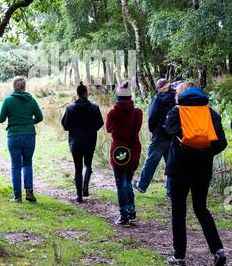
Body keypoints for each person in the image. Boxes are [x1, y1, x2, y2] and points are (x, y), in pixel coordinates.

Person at [165, 81, 227, 266]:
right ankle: (218, 250)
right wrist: (205, 153)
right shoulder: (211, 114)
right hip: (202, 170)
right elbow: (221, 142)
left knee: (178, 212)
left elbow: (168, 130)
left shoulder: (176, 113)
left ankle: (179, 256)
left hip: (178, 169)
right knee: (201, 209)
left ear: (181, 95)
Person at [0, 76, 43, 203]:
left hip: (14, 136)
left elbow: (0, 119)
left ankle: (17, 196)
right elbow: (39, 117)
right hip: (29, 135)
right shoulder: (31, 100)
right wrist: (29, 123)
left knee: (16, 165)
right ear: (24, 87)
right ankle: (29, 192)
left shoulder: (8, 100)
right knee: (27, 163)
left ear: (13, 86)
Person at [106, 80, 143, 226]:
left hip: (118, 151)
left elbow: (108, 129)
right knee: (127, 181)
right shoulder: (137, 112)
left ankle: (124, 215)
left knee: (120, 183)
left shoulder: (113, 112)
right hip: (134, 150)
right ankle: (132, 211)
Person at [61, 82, 104, 203]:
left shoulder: (70, 108)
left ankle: (79, 196)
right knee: (88, 164)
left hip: (75, 142)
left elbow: (65, 125)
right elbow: (100, 123)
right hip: (90, 140)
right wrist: (91, 130)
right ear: (86, 93)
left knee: (77, 167)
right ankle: (85, 187)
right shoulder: (94, 108)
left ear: (77, 94)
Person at [133, 78, 176, 199]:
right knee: (171, 164)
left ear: (158, 88)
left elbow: (151, 117)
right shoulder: (176, 97)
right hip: (172, 135)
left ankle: (142, 186)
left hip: (160, 135)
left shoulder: (157, 99)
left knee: (151, 161)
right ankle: (171, 193)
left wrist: (154, 131)